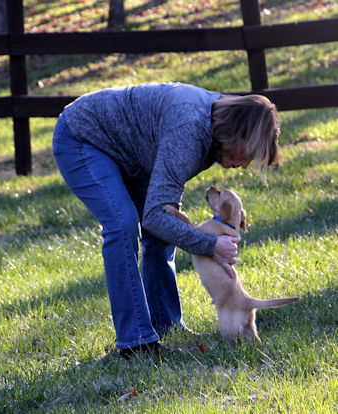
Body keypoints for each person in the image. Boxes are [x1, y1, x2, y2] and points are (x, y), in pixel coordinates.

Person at [52, 82, 279, 358]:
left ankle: (166, 323)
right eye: (249, 153)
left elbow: (164, 212)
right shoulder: (190, 131)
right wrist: (210, 245)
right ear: (237, 132)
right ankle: (135, 344)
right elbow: (155, 217)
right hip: (82, 137)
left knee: (162, 227)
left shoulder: (216, 128)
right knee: (123, 225)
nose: (245, 165)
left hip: (132, 151)